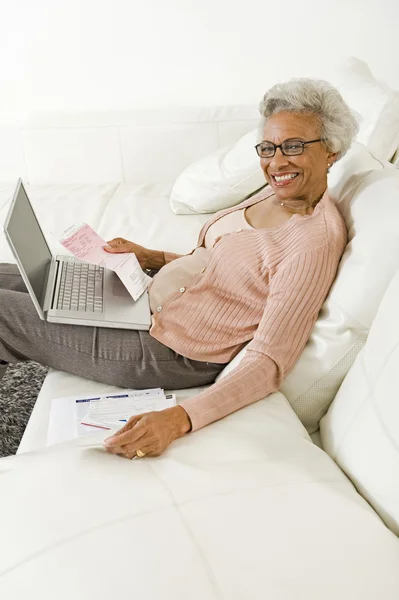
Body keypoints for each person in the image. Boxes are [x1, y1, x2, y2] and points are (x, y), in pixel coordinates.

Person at [0, 79, 358, 459]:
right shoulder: (275, 193)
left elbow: (270, 359)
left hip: (167, 350)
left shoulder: (311, 243)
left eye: (294, 147)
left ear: (332, 150)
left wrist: (179, 419)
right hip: (145, 301)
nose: (277, 162)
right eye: (268, 148)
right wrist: (151, 258)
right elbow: (217, 265)